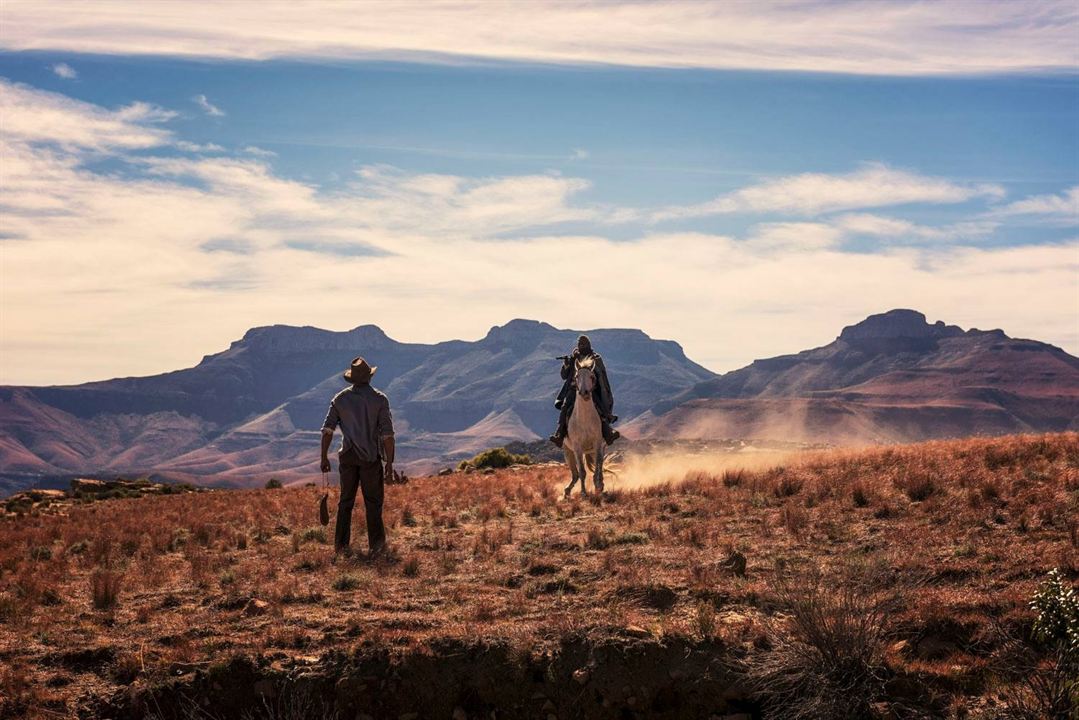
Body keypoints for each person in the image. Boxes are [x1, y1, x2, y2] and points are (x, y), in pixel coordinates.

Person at [320, 356, 395, 560]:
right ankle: (377, 548)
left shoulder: (340, 400)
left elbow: (327, 430)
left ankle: (341, 547)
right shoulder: (380, 399)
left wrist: (324, 457)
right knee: (373, 503)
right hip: (371, 459)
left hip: (348, 458)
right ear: (369, 377)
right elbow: (388, 434)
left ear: (352, 378)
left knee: (345, 502)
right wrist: (389, 463)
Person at [549, 334, 620, 447]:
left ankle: (608, 432)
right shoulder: (573, 357)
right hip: (574, 389)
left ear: (588, 345)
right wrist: (568, 363)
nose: (581, 346)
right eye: (580, 344)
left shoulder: (595, 357)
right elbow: (564, 376)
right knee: (565, 407)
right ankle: (560, 434)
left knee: (599, 406)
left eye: (584, 344)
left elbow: (599, 374)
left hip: (591, 389)